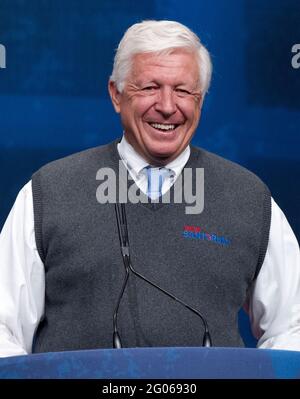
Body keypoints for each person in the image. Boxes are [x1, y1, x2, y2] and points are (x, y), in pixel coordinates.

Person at [0, 20, 299, 357]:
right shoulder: (47, 193)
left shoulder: (249, 198)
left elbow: (292, 329)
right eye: (150, 88)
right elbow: (3, 328)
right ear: (116, 94)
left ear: (200, 101)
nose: (168, 106)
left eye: (184, 91)